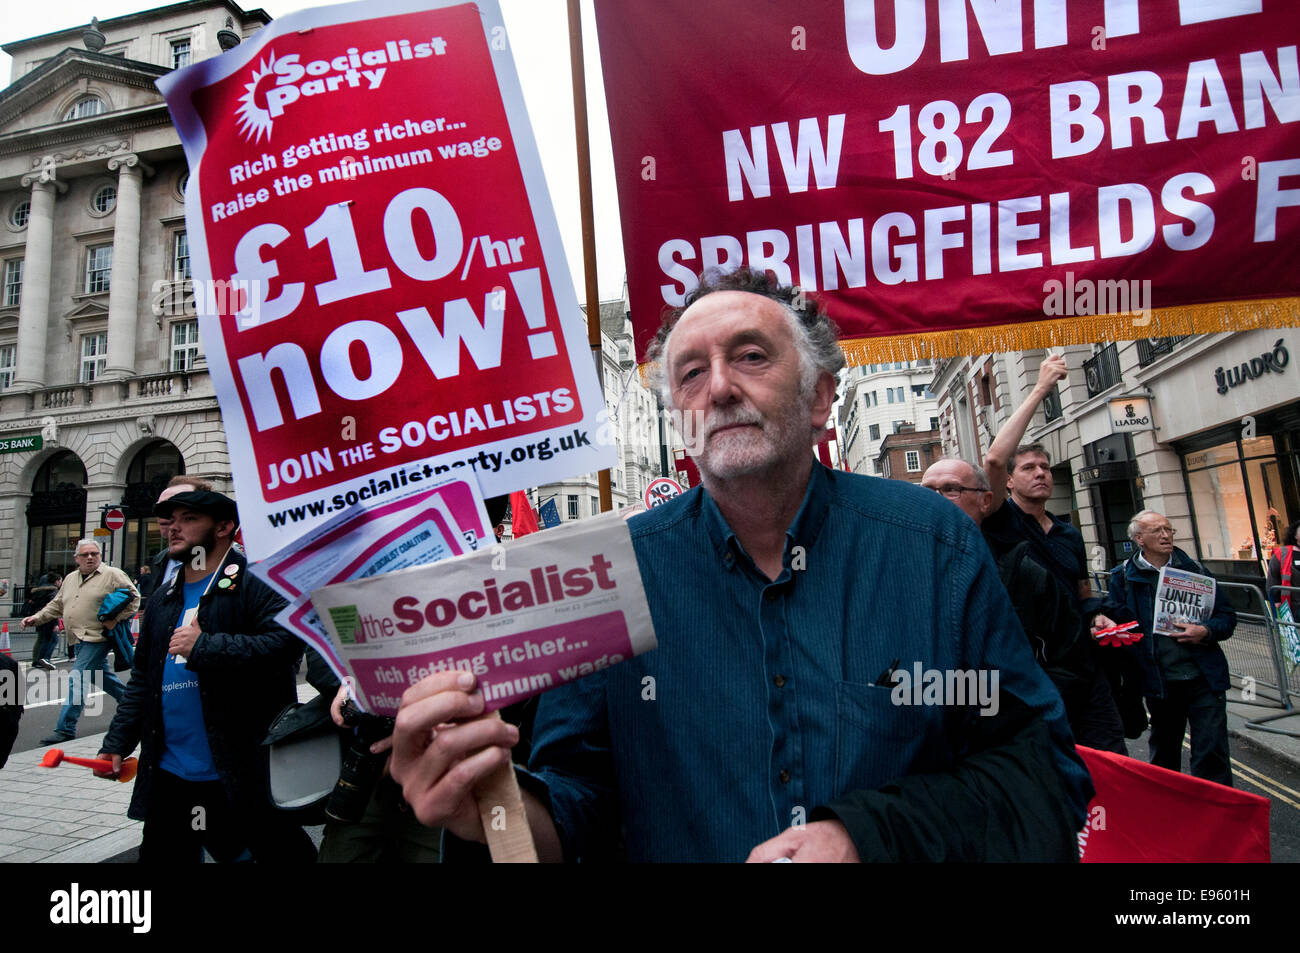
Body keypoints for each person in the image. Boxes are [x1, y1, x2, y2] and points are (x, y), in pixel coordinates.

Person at [389, 268, 1092, 862]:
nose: (718, 387)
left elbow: (1038, 778)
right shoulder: (610, 576)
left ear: (820, 398)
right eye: (690, 373)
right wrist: (489, 803)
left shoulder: (931, 546)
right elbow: (580, 808)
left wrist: (865, 836)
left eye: (751, 356)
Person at [97, 490, 315, 862]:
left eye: (189, 519)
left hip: (240, 768)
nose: (174, 528)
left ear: (225, 527)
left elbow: (287, 646)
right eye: (171, 520)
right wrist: (117, 742)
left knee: (274, 852)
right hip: (171, 772)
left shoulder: (257, 582)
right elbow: (143, 679)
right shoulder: (166, 595)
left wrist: (205, 647)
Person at [981, 358, 1129, 752]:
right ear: (1009, 481)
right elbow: (994, 459)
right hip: (1035, 669)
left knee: (1110, 759)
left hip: (1085, 665)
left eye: (1045, 466)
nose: (1041, 473)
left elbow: (1082, 592)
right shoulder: (1000, 521)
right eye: (1029, 467)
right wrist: (1042, 388)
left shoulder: (1068, 534)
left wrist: (1097, 615)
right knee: (1051, 765)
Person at [920, 458, 1094, 742]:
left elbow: (1070, 664)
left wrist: (1020, 713)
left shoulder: (1026, 575)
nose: (936, 500)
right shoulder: (895, 573)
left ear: (985, 501)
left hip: (1011, 740)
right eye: (927, 491)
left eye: (951, 489)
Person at [1095, 510, 1236, 786]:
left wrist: (1205, 631)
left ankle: (1216, 821)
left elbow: (1227, 618)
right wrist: (1103, 621)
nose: (1165, 535)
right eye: (1157, 530)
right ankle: (1170, 819)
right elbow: (1116, 617)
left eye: (1169, 530)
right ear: (1139, 539)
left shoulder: (1195, 570)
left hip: (1203, 679)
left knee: (1212, 756)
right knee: (1164, 758)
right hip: (1159, 683)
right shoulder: (1122, 577)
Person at [24, 541, 138, 744]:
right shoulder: (70, 578)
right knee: (102, 677)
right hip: (76, 638)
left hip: (97, 637)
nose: (90, 557)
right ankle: (136, 707)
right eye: (85, 554)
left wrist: (117, 618)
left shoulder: (112, 574)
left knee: (77, 678)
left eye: (94, 553)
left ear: (100, 555)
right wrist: (36, 618)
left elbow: (134, 598)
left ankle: (65, 729)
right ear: (76, 558)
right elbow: (57, 605)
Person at [138, 476, 215, 603]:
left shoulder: (224, 561)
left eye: (175, 506)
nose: (163, 514)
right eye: (160, 507)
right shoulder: (160, 559)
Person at [25, 571, 62, 671]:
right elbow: (52, 609)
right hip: (48, 618)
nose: (60, 583)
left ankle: (36, 660)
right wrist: (55, 623)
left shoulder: (37, 592)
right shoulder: (53, 592)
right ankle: (44, 659)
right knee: (52, 639)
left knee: (41, 638)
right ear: (55, 581)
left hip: (38, 617)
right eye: (60, 580)